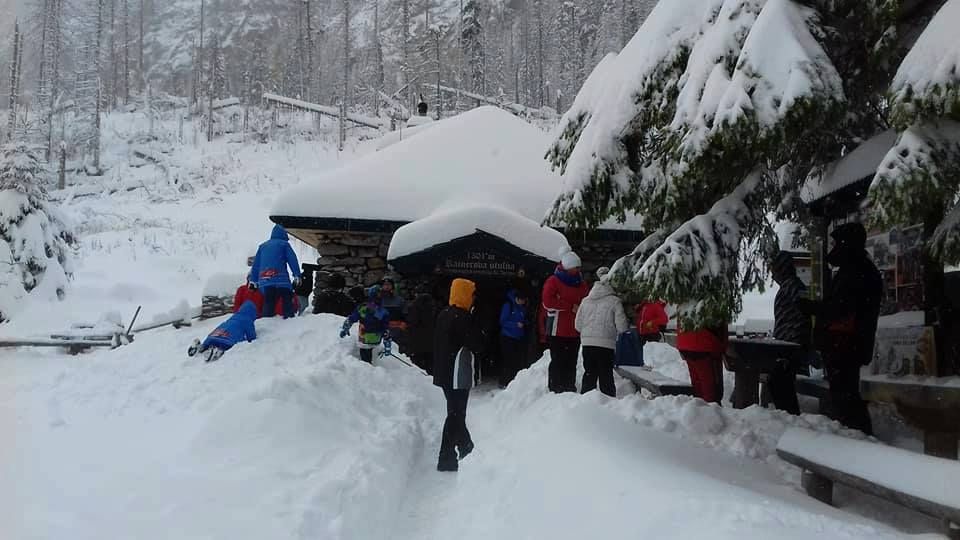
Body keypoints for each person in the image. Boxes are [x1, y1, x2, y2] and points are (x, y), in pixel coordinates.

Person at [799, 222, 882, 434]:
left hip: (846, 346)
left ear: (848, 244)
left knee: (846, 399)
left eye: (837, 243)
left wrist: (810, 307)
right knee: (844, 397)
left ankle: (859, 442)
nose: (833, 249)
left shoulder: (857, 271)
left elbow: (840, 308)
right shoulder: (854, 269)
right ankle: (855, 439)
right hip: (843, 346)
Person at [433, 278, 484, 472]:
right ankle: (446, 457)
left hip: (444, 372)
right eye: (471, 294)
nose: (474, 298)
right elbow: (478, 344)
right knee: (456, 414)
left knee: (454, 413)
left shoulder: (444, 314)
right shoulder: (463, 318)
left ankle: (464, 447)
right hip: (457, 373)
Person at [767, 251, 811, 415]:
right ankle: (788, 415)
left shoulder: (793, 286)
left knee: (779, 382)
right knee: (778, 382)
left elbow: (804, 310)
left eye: (775, 271)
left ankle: (790, 416)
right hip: (786, 343)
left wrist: (797, 341)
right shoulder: (789, 285)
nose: (773, 275)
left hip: (792, 345)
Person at [541, 247, 590, 393]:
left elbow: (585, 300)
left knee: (571, 361)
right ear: (567, 267)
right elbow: (547, 302)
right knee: (557, 360)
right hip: (557, 329)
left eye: (578, 267)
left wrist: (577, 307)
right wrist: (569, 306)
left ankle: (569, 386)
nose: (577, 270)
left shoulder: (581, 283)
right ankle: (555, 386)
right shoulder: (553, 281)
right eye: (575, 267)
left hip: (574, 330)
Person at [574, 268, 629, 397]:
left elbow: (577, 325)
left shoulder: (585, 301)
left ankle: (585, 403)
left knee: (589, 374)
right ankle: (609, 405)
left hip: (587, 344)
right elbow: (622, 327)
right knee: (606, 376)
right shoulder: (615, 301)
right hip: (606, 344)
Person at [250, 224, 302, 319]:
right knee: (287, 305)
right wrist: (297, 275)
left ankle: (267, 324)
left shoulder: (263, 246)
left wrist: (253, 280)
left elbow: (256, 265)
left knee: (268, 305)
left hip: (266, 281)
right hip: (282, 281)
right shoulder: (284, 245)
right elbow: (292, 260)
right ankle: (290, 323)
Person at [188, 300, 258, 362]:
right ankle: (216, 351)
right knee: (224, 344)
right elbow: (251, 337)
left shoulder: (235, 316)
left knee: (212, 340)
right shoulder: (248, 320)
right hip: (228, 338)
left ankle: (201, 347)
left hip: (218, 332)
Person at [676, 324, 728, 404]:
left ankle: (699, 409)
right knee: (710, 389)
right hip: (704, 344)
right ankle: (710, 412)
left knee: (698, 385)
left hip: (686, 341)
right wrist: (721, 347)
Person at [340, 285, 392, 364]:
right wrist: (387, 344)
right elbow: (386, 330)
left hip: (363, 339)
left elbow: (351, 319)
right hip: (375, 340)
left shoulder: (362, 308)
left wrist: (345, 328)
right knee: (372, 361)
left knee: (365, 362)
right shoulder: (383, 312)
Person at [498, 288, 529, 388]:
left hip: (518, 337)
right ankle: (504, 381)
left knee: (517, 360)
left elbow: (523, 319)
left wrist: (524, 323)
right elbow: (502, 321)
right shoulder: (508, 306)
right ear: (517, 299)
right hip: (507, 337)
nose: (523, 302)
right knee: (508, 360)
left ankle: (513, 382)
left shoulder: (522, 308)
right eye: (522, 300)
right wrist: (515, 325)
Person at [406, 283, 437, 375]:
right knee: (430, 363)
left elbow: (412, 321)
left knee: (418, 366)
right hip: (431, 340)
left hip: (416, 340)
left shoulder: (413, 306)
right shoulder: (433, 306)